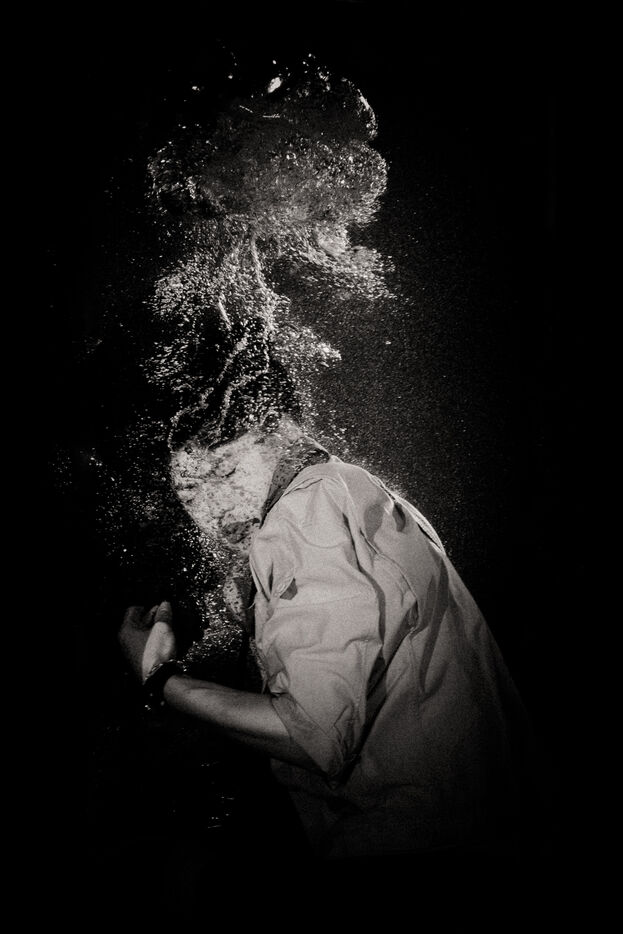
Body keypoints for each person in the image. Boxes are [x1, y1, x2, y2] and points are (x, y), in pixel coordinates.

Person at [119, 413, 534, 864]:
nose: (214, 507)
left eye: (224, 471)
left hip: (417, 848)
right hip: (472, 827)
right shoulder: (343, 488)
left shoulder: (302, 514)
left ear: (279, 432)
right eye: (191, 493)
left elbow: (309, 737)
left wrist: (160, 678)